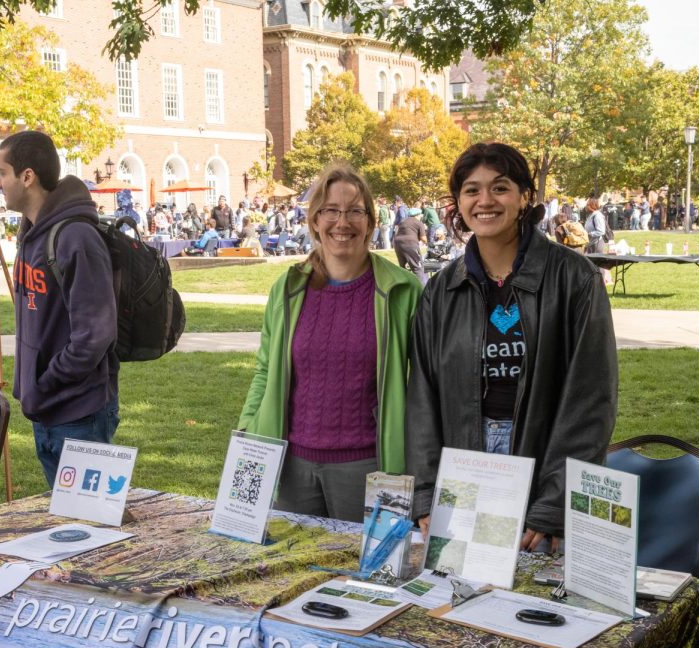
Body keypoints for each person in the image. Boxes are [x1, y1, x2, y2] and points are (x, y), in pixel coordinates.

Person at [407, 142, 618, 552]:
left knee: (531, 603)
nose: (485, 200)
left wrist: (555, 504)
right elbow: (423, 398)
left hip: (542, 461)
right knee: (459, 594)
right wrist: (427, 490)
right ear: (459, 203)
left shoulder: (573, 278)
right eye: (471, 190)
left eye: (499, 188)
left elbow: (590, 398)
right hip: (464, 462)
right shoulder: (442, 291)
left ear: (525, 197)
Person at [237, 163, 421, 522]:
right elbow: (265, 370)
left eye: (355, 211)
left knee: (363, 575)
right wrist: (247, 430)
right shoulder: (288, 289)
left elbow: (425, 384)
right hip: (293, 466)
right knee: (292, 572)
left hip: (370, 466)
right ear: (315, 221)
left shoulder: (402, 291)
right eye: (331, 211)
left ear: (370, 221)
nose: (343, 222)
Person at [0, 130, 119, 486]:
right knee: (65, 527)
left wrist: (47, 380)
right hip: (46, 409)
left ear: (27, 176)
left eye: (3, 172)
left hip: (79, 412)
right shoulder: (31, 234)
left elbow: (95, 335)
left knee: (92, 531)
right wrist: (35, 388)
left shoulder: (76, 238)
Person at [393, 207, 426, 279]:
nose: (421, 217)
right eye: (420, 215)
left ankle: (405, 287)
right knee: (417, 268)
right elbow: (423, 238)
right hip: (410, 244)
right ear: (417, 215)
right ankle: (420, 288)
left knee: (403, 268)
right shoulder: (419, 223)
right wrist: (429, 242)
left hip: (397, 244)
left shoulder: (402, 222)